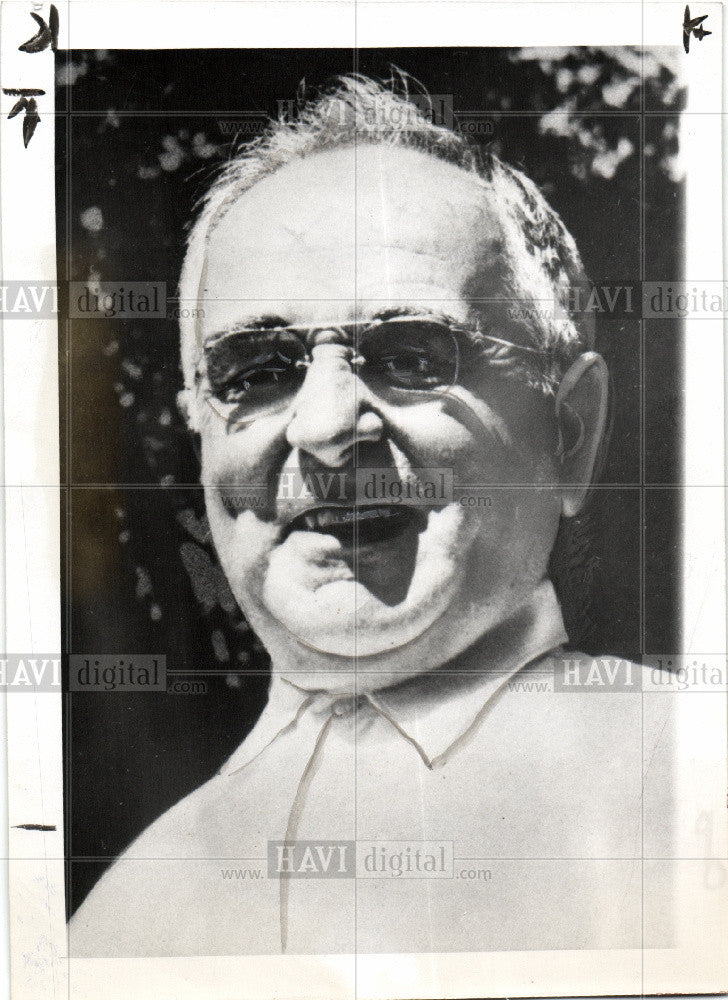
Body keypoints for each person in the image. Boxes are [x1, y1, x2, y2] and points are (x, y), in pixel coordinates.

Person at [70, 76, 673, 957]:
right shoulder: (121, 919)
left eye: (409, 355)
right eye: (258, 372)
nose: (323, 430)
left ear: (570, 435)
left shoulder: (695, 776)